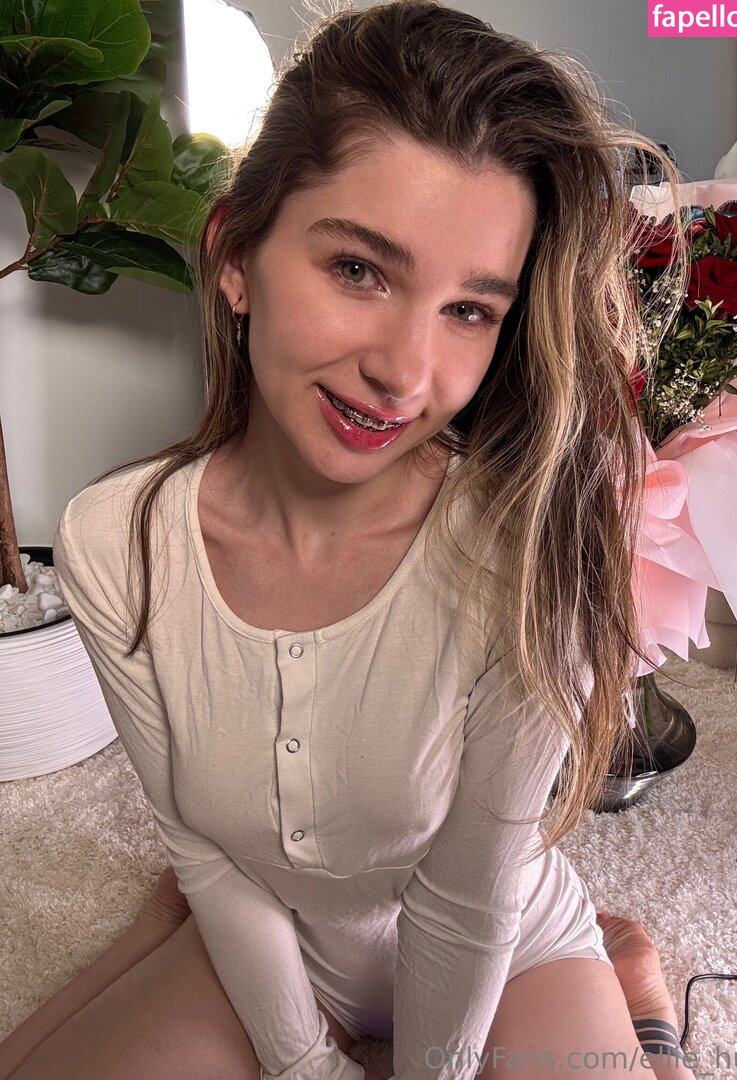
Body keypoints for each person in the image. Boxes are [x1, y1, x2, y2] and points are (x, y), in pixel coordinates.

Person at [0, 1, 696, 1077]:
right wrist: (304, 1064)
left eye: (470, 310)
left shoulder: (521, 556)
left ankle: (637, 1000)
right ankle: (163, 936)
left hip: (508, 944)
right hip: (276, 940)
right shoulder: (114, 543)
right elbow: (203, 849)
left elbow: (468, 896)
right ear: (236, 255)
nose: (405, 374)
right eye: (360, 270)